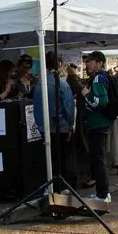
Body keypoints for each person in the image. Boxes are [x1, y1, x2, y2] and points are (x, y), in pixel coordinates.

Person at [33, 52, 76, 191]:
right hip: (59, 126)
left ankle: (49, 188)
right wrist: (70, 125)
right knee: (60, 159)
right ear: (60, 64)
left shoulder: (40, 84)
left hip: (43, 127)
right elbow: (69, 107)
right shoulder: (61, 84)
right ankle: (60, 188)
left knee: (48, 159)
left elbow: (36, 108)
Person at [82, 51, 112, 203]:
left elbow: (102, 102)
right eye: (87, 61)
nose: (87, 64)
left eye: (91, 61)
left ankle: (103, 194)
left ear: (100, 63)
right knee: (98, 158)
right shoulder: (99, 77)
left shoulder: (98, 78)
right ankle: (102, 192)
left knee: (98, 159)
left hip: (97, 124)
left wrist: (87, 95)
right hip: (99, 123)